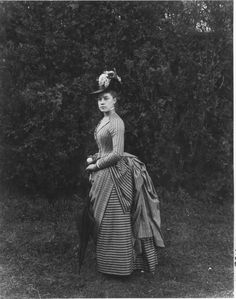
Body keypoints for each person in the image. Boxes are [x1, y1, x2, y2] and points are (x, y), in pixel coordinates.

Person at [86, 70, 165, 276]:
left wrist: (95, 165)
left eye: (106, 99)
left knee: (115, 220)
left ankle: (121, 267)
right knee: (102, 220)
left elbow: (118, 154)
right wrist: (95, 157)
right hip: (104, 173)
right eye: (99, 99)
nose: (101, 102)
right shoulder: (103, 120)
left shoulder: (116, 122)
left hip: (115, 176)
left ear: (114, 101)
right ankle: (107, 265)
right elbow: (106, 150)